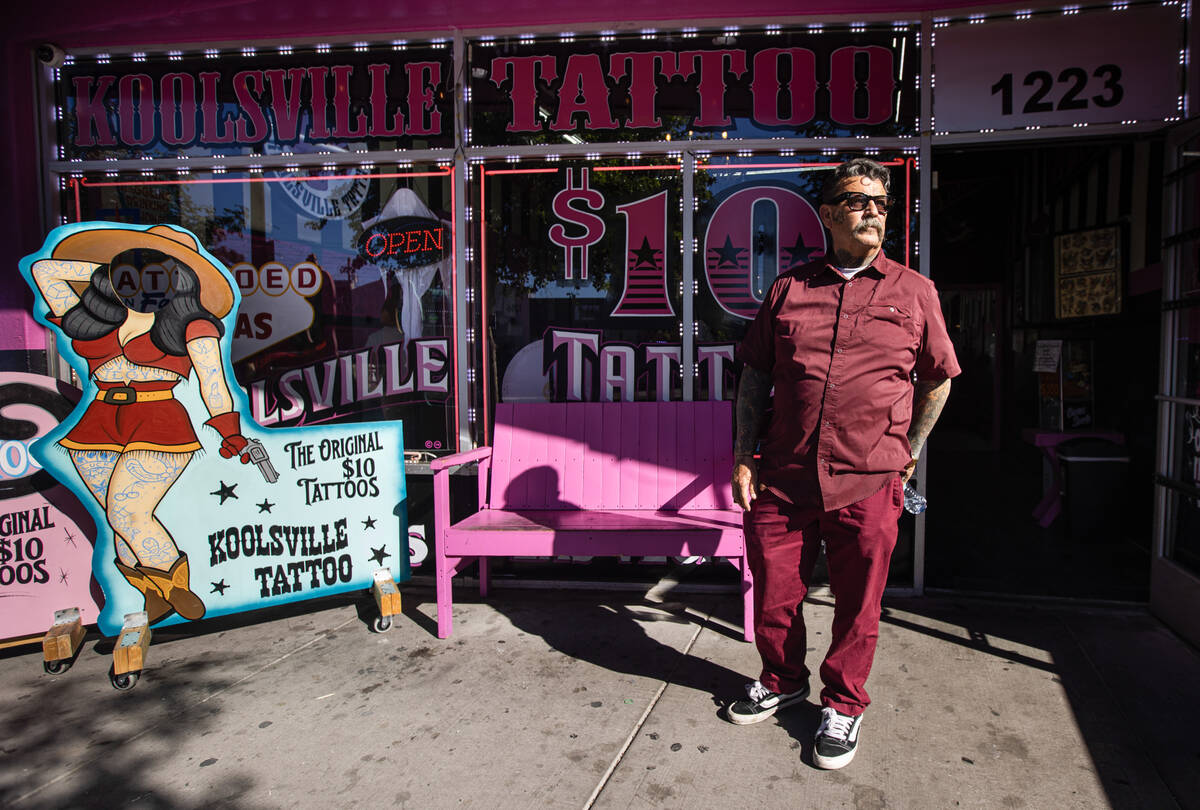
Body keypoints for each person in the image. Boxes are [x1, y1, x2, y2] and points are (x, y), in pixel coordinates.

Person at [726, 158, 960, 770]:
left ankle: (845, 705)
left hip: (870, 477)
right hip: (783, 476)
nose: (874, 211)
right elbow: (754, 373)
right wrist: (743, 456)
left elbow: (937, 381)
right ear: (828, 213)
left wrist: (908, 450)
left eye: (882, 202)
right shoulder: (789, 289)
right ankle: (781, 681)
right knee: (776, 595)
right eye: (860, 201)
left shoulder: (915, 292)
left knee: (859, 603)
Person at [31, 224, 254, 625]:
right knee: (113, 518)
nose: (142, 279)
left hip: (159, 419)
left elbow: (213, 383)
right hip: (97, 422)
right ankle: (150, 596)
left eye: (158, 270)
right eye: (134, 269)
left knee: (128, 513)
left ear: (179, 276)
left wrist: (229, 430)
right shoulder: (95, 314)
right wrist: (108, 274)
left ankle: (175, 586)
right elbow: (45, 271)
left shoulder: (192, 324)